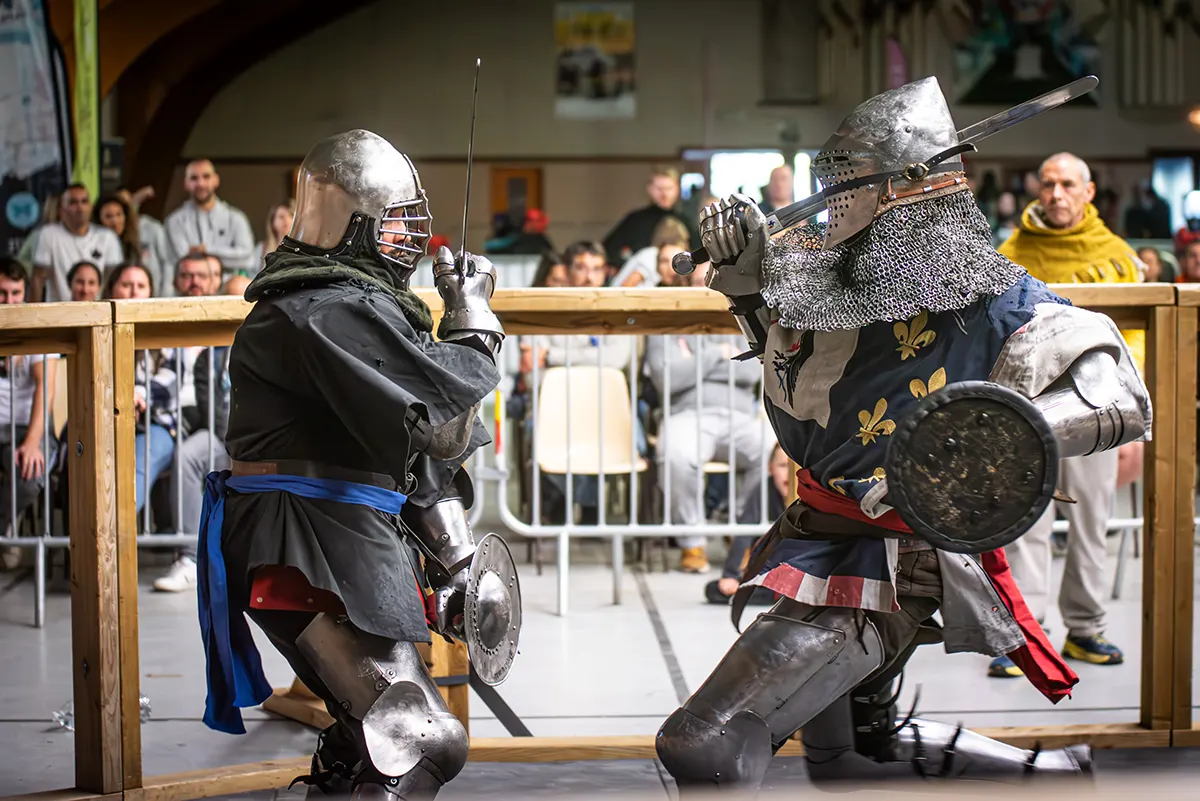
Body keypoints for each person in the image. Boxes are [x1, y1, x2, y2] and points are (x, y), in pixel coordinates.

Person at [653, 77, 1149, 794]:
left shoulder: (993, 295)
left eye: (846, 186)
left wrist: (987, 439)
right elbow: (805, 377)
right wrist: (745, 287)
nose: (829, 206)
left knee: (701, 742)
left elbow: (1117, 394)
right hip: (822, 533)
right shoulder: (842, 279)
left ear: (901, 190)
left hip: (888, 560)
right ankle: (1052, 776)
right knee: (847, 754)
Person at [196, 129, 520, 799]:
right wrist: (473, 319)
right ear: (350, 223)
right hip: (305, 539)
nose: (409, 238)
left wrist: (457, 561)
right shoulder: (320, 307)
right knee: (418, 733)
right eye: (395, 223)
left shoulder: (358, 302)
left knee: (367, 726)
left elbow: (414, 446)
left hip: (339, 530)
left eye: (410, 222)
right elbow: (438, 424)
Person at [992, 152, 1146, 677]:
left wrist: (1132, 427)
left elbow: (1137, 345)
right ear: (1039, 190)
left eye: (1068, 185)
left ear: (1088, 192)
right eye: (1049, 184)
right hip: (1028, 407)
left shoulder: (1119, 259)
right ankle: (1028, 633)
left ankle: (1086, 628)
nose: (1057, 194)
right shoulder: (1011, 254)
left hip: (1099, 410)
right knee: (1024, 521)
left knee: (1091, 522)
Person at [164, 159, 256, 278]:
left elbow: (247, 259)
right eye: (194, 178)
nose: (200, 184)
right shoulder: (174, 222)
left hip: (227, 289)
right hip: (189, 289)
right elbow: (183, 260)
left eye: (206, 177)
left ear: (216, 180)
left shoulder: (236, 218)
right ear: (185, 184)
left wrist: (207, 250)